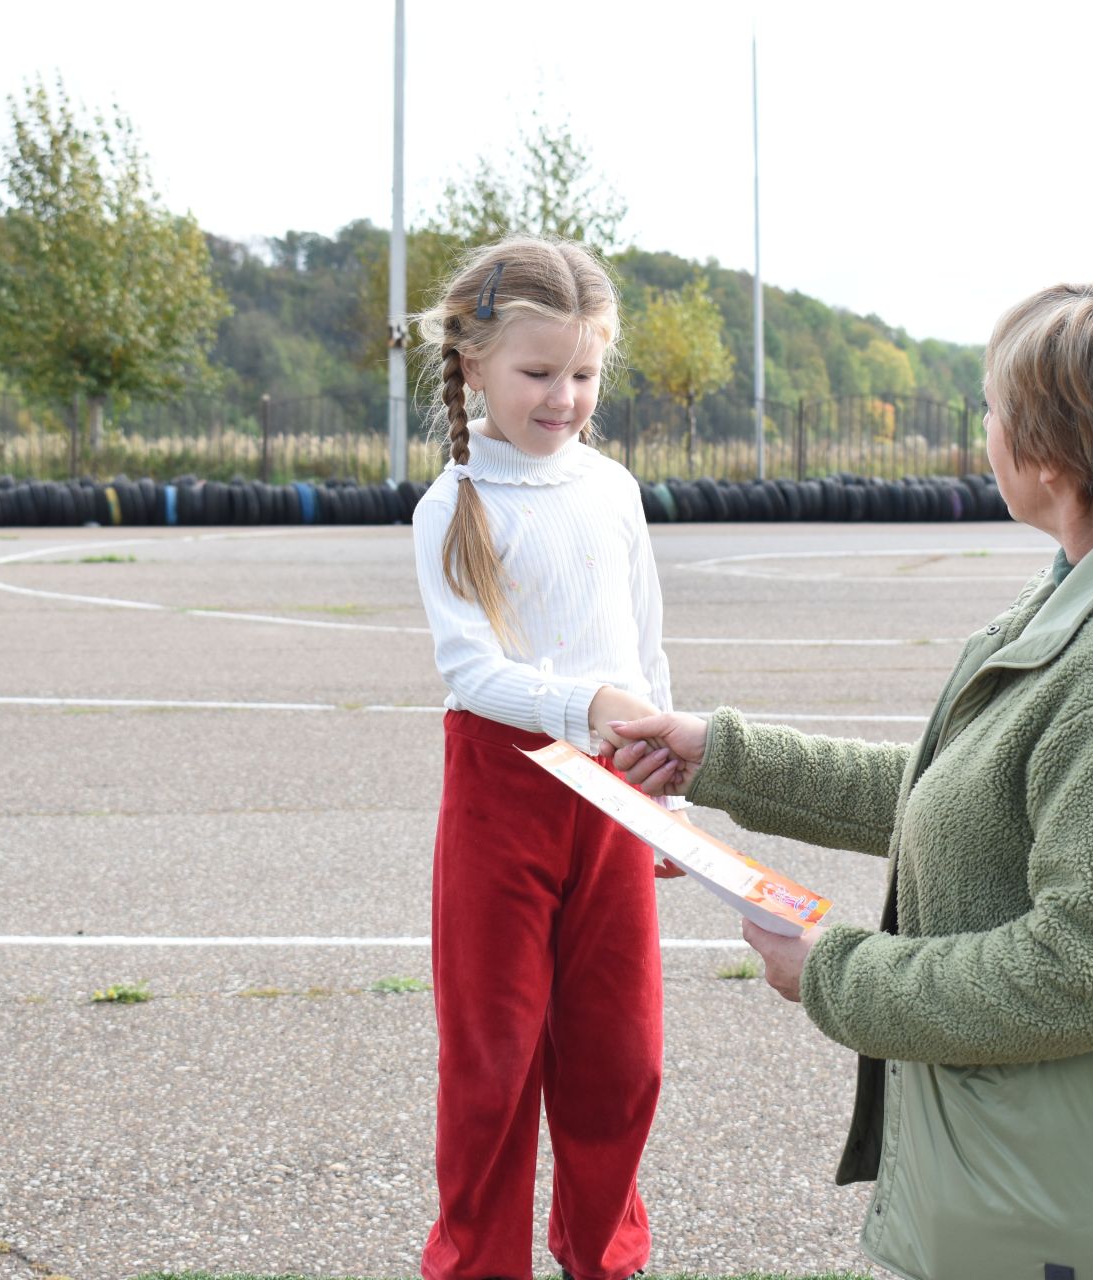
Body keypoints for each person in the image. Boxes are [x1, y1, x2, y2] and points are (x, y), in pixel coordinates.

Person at [613, 272, 1093, 1278]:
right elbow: (974, 796)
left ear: (1050, 450)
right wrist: (723, 755)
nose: (983, 426)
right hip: (1046, 1179)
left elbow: (1090, 968)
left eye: (992, 406)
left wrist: (838, 974)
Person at [410, 234, 677, 1280]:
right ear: (474, 364)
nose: (563, 395)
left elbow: (644, 644)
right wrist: (583, 700)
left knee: (623, 1055)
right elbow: (472, 671)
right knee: (496, 1057)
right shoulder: (456, 503)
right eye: (537, 372)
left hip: (613, 787)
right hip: (503, 792)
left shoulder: (612, 488)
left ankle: (602, 1254)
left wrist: (663, 787)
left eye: (583, 373)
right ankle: (478, 1262)